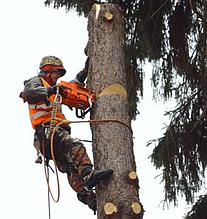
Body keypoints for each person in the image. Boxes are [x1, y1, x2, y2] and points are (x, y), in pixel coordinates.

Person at [19, 55, 113, 214]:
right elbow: (28, 93)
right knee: (74, 145)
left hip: (51, 136)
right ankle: (89, 174)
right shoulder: (37, 83)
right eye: (56, 73)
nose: (58, 77)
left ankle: (88, 197)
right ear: (48, 71)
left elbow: (71, 87)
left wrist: (84, 72)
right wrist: (50, 90)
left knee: (71, 167)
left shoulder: (55, 88)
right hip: (47, 132)